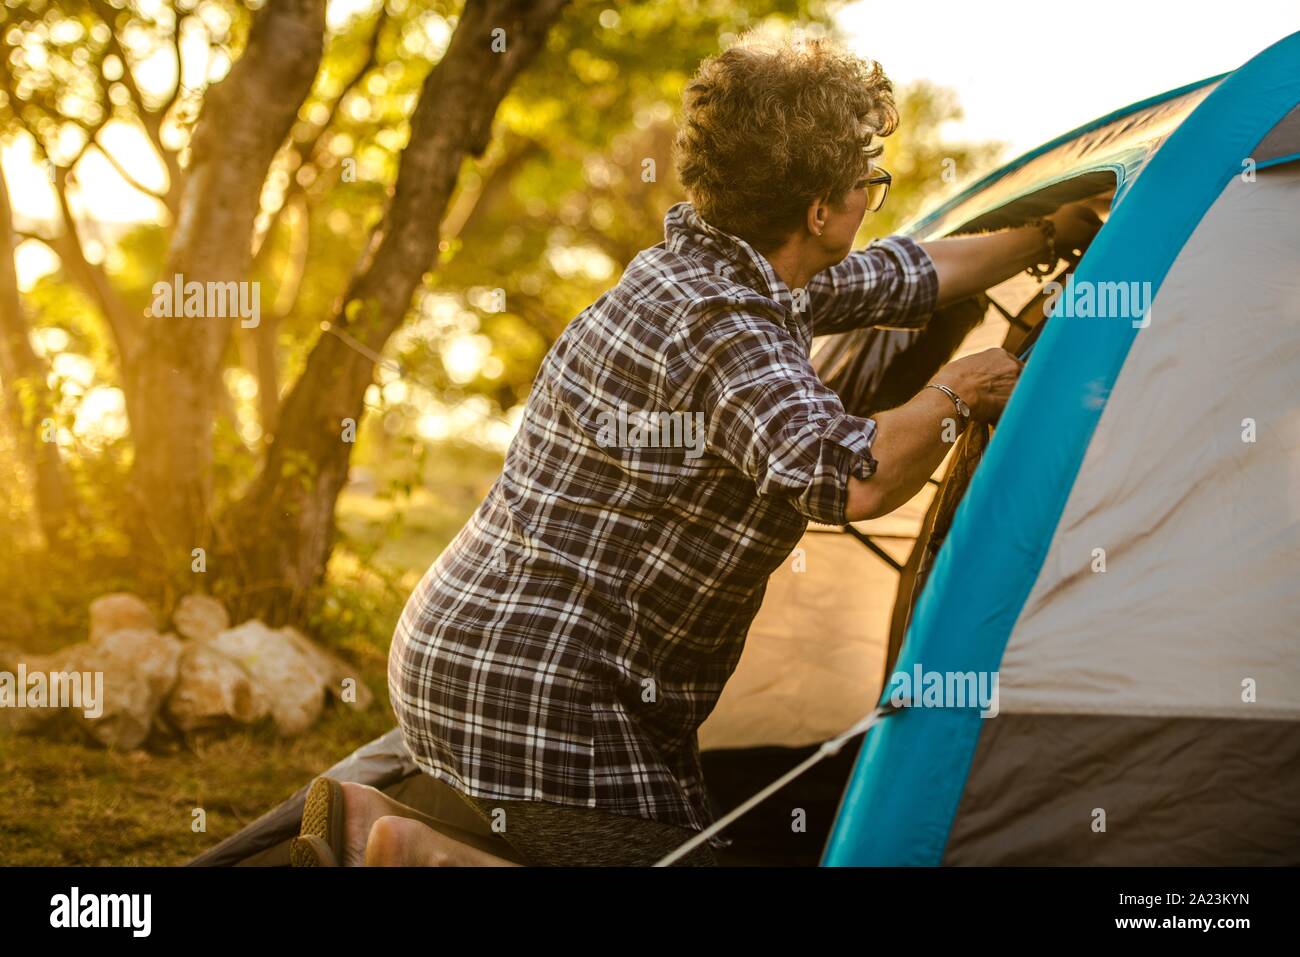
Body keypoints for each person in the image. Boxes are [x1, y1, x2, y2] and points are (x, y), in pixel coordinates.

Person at [298, 34, 1101, 867]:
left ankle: (377, 826)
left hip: (472, 646)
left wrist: (1042, 233)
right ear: (819, 211)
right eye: (868, 181)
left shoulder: (712, 271)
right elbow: (851, 476)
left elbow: (901, 275)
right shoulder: (728, 325)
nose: (873, 198)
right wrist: (958, 391)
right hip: (546, 693)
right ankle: (422, 854)